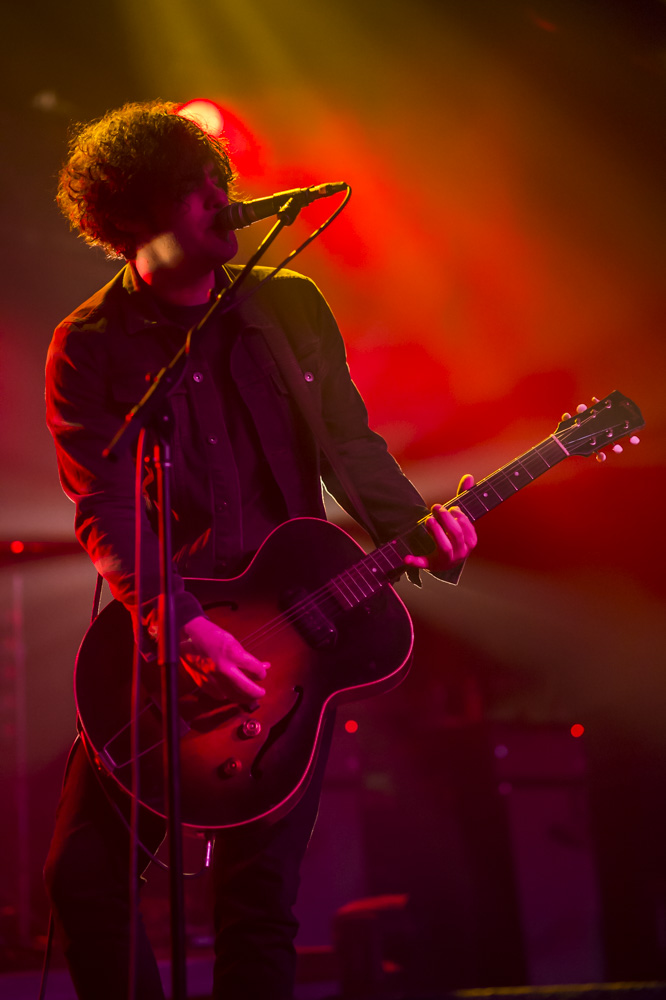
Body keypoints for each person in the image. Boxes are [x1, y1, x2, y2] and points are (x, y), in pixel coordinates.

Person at [43, 99, 478, 1000]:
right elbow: (104, 505)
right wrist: (182, 624)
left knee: (258, 905)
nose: (224, 195)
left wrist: (417, 530)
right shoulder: (90, 345)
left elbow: (349, 445)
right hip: (171, 650)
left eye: (219, 178)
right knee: (86, 880)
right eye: (197, 187)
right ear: (135, 211)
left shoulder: (287, 306)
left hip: (294, 646)